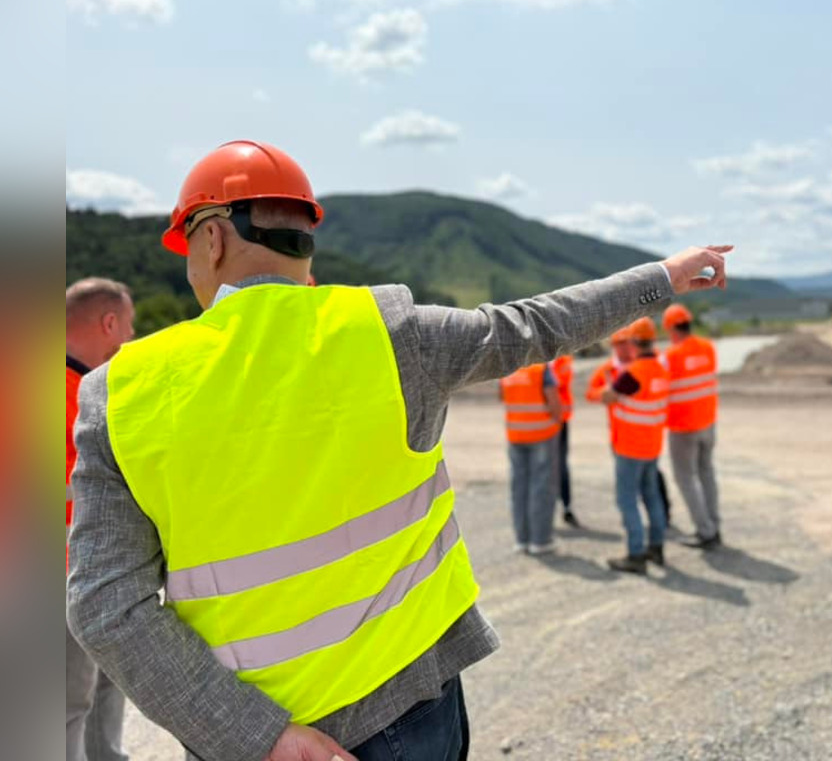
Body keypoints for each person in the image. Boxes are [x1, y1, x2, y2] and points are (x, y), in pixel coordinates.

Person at [65, 139, 732, 761]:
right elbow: (538, 326)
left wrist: (255, 735)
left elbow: (104, 606)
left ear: (209, 239)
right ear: (304, 242)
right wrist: (663, 277)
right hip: (417, 709)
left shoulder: (118, 392)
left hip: (256, 737)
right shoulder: (389, 331)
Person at [66, 277, 136, 761]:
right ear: (109, 324)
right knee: (68, 702)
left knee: (104, 687)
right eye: (128, 329)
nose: (129, 341)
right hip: (62, 574)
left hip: (95, 572)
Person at [601, 317, 670, 574]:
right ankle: (657, 547)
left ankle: (636, 554)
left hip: (630, 446)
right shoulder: (662, 370)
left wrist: (609, 382)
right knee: (652, 497)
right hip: (652, 444)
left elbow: (609, 397)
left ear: (633, 343)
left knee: (627, 500)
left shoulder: (634, 373)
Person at [660, 304, 722, 549]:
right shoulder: (708, 348)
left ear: (672, 328)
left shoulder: (671, 357)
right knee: (706, 473)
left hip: (683, 426)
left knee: (685, 478)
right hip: (708, 421)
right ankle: (714, 525)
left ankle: (705, 531)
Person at [500, 362, 563, 554]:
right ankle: (540, 540)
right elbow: (553, 400)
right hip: (541, 434)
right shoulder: (541, 369)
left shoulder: (508, 367)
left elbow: (501, 396)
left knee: (519, 487)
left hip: (515, 435)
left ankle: (522, 539)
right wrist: (557, 420)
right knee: (542, 488)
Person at [549, 355, 579, 527]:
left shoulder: (563, 360)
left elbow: (556, 383)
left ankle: (566, 506)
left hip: (559, 421)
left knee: (560, 466)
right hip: (540, 422)